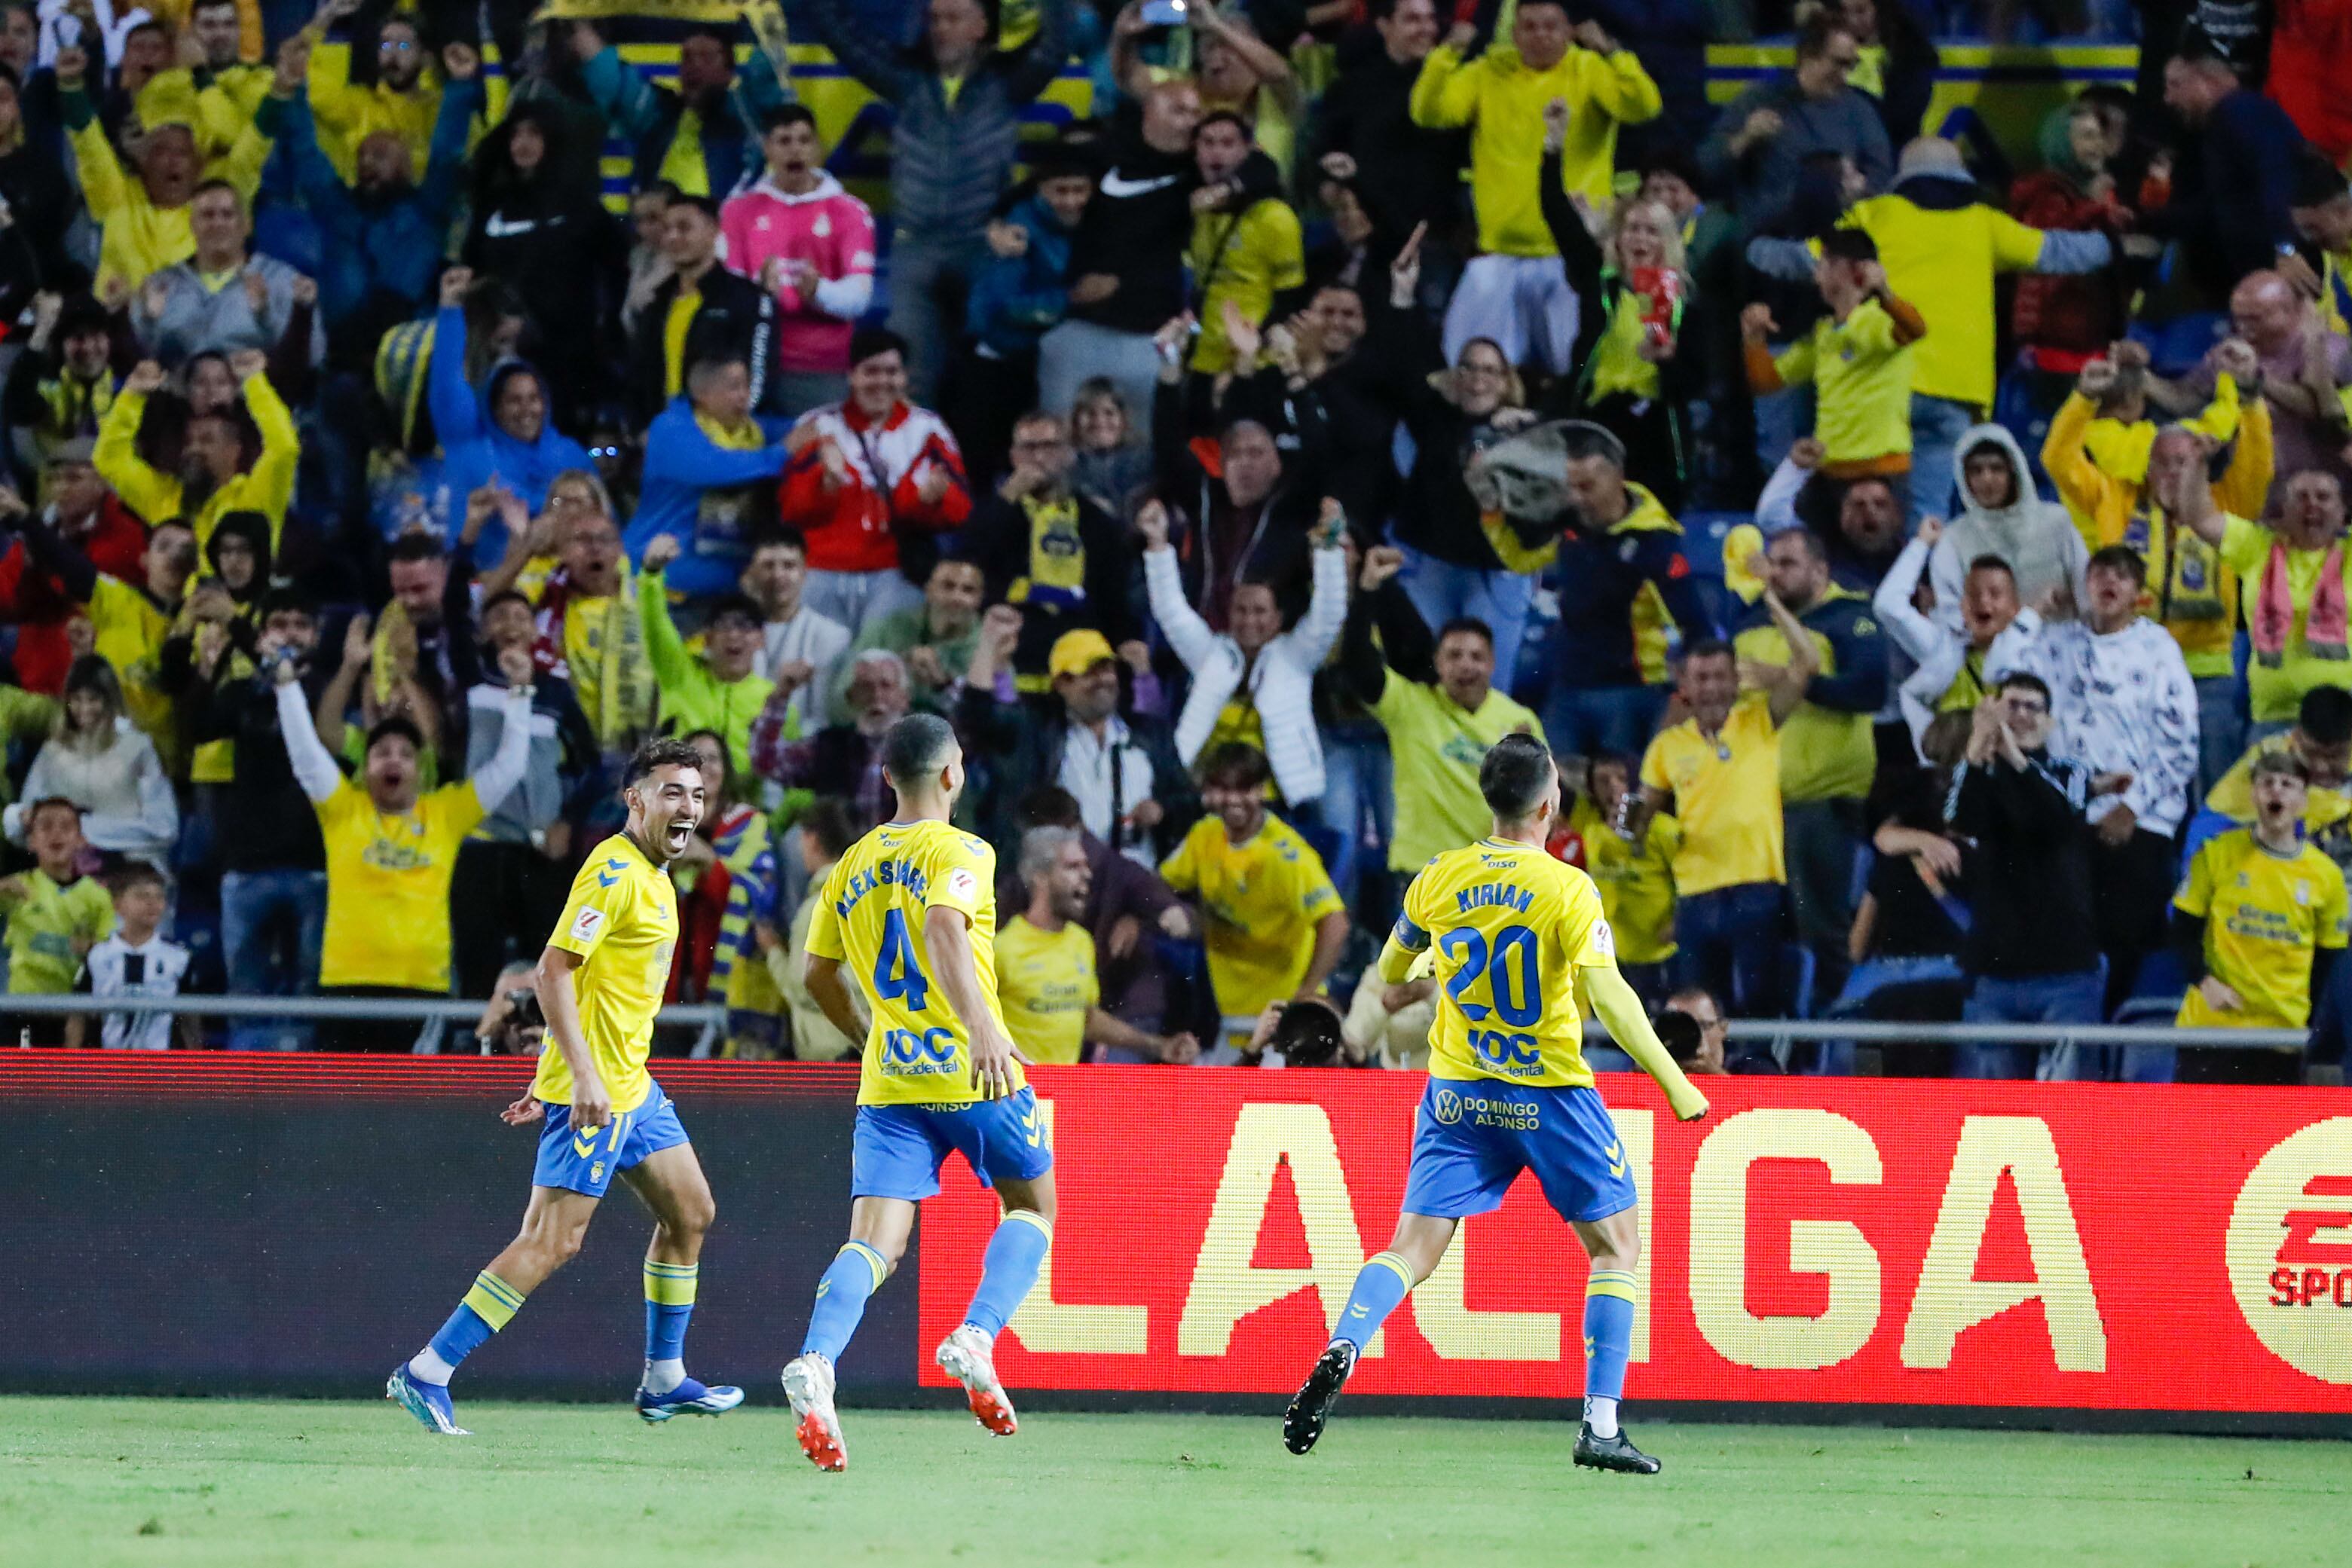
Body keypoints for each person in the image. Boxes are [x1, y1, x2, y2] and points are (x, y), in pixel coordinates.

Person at [1283, 734, 1708, 1472]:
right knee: (1615, 1246)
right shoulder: (1567, 887)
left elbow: (1389, 968)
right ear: (1548, 803)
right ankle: (1599, 1424)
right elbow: (1609, 996)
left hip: (1457, 1092)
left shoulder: (1440, 877)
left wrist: (1447, 950)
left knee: (1412, 1246)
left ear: (1492, 798)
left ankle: (1345, 1339)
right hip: (1548, 1094)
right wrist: (1677, 1082)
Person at [384, 738, 745, 1438]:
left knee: (692, 1212)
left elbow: (593, 989)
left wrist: (551, 1073)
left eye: (697, 796)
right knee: (552, 1240)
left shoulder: (656, 876)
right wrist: (575, 1077)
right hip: (600, 1088)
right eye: (672, 791)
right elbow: (551, 972)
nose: (689, 807)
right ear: (634, 798)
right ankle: (428, 1369)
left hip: (630, 1086)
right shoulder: (613, 870)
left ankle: (664, 1378)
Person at [784, 713, 1058, 1469]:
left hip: (889, 1078)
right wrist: (980, 1027)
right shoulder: (962, 848)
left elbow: (813, 977)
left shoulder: (849, 864)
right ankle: (975, 1333)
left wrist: (866, 1031)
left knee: (872, 1242)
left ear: (885, 778)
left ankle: (817, 1359)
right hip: (969, 1070)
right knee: (1033, 1203)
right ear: (953, 772)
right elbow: (942, 926)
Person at [1747, 136, 2115, 523]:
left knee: (1863, 509)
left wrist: (1754, 246)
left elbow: (1802, 261)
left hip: (1881, 387)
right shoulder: (1984, 222)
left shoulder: (1877, 214)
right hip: (1956, 392)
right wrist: (2112, 243)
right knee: (1928, 516)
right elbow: (2058, 252)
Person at [804, 0, 1072, 402]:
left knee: (990, 377)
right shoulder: (904, 78)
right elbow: (844, 37)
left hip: (983, 246)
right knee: (908, 379)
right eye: (934, 19)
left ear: (981, 25)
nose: (940, 28)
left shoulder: (1008, 81)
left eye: (952, 18)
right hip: (917, 249)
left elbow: (1057, 42)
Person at [272, 640, 534, 1050]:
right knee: (338, 1109)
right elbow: (306, 753)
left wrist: (520, 692)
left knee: (414, 1112)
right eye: (381, 753)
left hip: (423, 985)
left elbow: (510, 767)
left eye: (404, 754)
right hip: (346, 984)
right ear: (366, 767)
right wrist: (285, 686)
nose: (393, 761)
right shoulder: (344, 808)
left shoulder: (446, 813)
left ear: (419, 768)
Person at [1408, 0, 1662, 372]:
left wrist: (1612, 52)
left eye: (1550, 26)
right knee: (1474, 367)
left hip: (1571, 260)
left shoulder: (1589, 69)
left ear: (1568, 31)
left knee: (1577, 368)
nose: (1540, 36)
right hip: (1499, 255)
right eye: (1529, 27)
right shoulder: (1489, 71)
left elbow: (1643, 107)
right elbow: (1429, 112)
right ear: (1514, 34)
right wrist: (1448, 54)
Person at [2003, 546, 2200, 1013]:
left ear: (2138, 593)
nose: (2111, 582)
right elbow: (1999, 670)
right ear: (2084, 584)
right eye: (2100, 574)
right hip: (2064, 817)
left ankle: (2109, 1063)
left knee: (2122, 944)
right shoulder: (2056, 640)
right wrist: (2032, 615)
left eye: (2125, 576)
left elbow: (2183, 742)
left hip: (2137, 822)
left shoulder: (2158, 648)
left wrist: (2132, 808)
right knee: (2062, 945)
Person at [1633, 628, 1817, 1025]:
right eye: (1701, 678)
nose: (1711, 688)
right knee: (1696, 1014)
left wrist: (1770, 599)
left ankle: (1758, 1087)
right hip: (1695, 896)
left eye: (1720, 677)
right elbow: (1636, 824)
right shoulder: (1667, 745)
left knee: (1759, 1008)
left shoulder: (1760, 721)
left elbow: (1807, 664)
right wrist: (1627, 813)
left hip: (1758, 888)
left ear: (1736, 681)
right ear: (1685, 684)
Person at [1733, 529, 1887, 1002]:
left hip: (1823, 805)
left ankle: (1832, 1039)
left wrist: (1786, 679)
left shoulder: (1851, 617)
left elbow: (1868, 692)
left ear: (1821, 569)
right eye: (1770, 563)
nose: (1774, 573)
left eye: (1787, 564)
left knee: (1822, 931)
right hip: (1760, 808)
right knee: (1766, 938)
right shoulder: (1752, 623)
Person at [1338, 546, 1546, 876]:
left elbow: (1539, 804)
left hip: (1489, 876)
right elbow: (1357, 663)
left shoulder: (1519, 721)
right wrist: (1367, 590)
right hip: (1420, 875)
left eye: (1476, 657)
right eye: (1454, 656)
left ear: (1493, 663)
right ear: (1437, 662)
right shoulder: (1409, 705)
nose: (1466, 666)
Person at [1141, 497, 1347, 811]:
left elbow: (1329, 613)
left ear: (1278, 619)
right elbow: (1171, 611)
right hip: (1210, 799)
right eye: (1241, 610)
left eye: (1260, 611)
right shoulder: (1211, 654)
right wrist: (1157, 544)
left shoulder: (1296, 657)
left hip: (1276, 802)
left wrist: (1329, 549)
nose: (1250, 620)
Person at [1945, 672, 2103, 1077]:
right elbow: (1960, 819)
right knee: (1997, 1118)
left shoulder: (2072, 771)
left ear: (2050, 721)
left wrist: (2016, 757)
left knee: (2070, 1117)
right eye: (2011, 705)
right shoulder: (1982, 775)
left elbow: (2059, 819)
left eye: (2033, 707)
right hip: (1996, 971)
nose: (2021, 715)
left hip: (2065, 971)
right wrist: (1979, 747)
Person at [1159, 742, 1349, 1059]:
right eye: (1222, 788)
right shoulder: (1205, 835)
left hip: (1279, 1021)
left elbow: (1336, 923)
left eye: (1244, 788)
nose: (1233, 800)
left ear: (1263, 791)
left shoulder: (1287, 855)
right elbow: (1160, 883)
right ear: (1207, 792)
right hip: (1228, 1017)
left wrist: (1306, 992)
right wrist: (1174, 910)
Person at [1543, 421, 1718, 763]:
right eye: (1570, 488)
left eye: (1587, 487)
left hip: (1628, 690)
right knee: (1546, 796)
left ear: (1617, 476)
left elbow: (1695, 625)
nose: (1577, 498)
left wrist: (1684, 696)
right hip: (1566, 688)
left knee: (1616, 795)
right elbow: (1518, 559)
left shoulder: (1656, 543)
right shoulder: (1567, 524)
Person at [957, 618, 1196, 869]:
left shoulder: (1151, 735)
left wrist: (1163, 811)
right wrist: (988, 646)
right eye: (1090, 672)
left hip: (1137, 880)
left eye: (1108, 669)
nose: (1104, 679)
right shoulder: (1037, 733)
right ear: (1062, 683)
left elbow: (1190, 801)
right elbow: (977, 718)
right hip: (1059, 881)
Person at [779, 328, 971, 634]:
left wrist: (928, 501)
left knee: (882, 671)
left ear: (905, 377)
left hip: (895, 574)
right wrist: (827, 484)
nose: (882, 381)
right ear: (851, 376)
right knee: (818, 674)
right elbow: (792, 510)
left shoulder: (929, 430)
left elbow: (960, 511)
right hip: (823, 571)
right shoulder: (818, 426)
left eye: (892, 372)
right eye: (871, 372)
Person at [2173, 750, 2347, 1084]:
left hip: (2282, 1038)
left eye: (2287, 784)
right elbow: (2182, 929)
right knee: (2199, 1137)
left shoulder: (2326, 877)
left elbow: (2328, 961)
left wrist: (2311, 1022)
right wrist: (2204, 981)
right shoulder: (2216, 854)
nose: (2276, 791)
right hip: (2211, 1031)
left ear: (2303, 800)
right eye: (2267, 783)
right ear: (2253, 795)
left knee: (2271, 1138)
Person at [2173, 436, 2352, 737]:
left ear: (2342, 511)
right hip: (2273, 718)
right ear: (2284, 507)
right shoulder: (2257, 546)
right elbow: (2200, 517)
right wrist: (2197, 463)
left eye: (2323, 497)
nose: (2312, 505)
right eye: (2302, 497)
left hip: (2345, 721)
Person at [1740, 228, 1925, 501]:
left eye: (1823, 264)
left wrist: (1884, 291)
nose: (1816, 275)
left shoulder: (1878, 319)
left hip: (1881, 467)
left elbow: (1915, 330)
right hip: (1831, 469)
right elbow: (1766, 382)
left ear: (1852, 269)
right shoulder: (1823, 334)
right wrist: (1754, 339)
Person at [720, 105, 878, 418]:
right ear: (767, 148)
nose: (796, 150)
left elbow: (859, 298)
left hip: (822, 367)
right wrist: (759, 295)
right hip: (752, 364)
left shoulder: (850, 212)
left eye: (804, 140)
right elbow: (726, 289)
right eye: (784, 141)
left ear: (817, 147)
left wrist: (819, 292)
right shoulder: (738, 210)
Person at [961, 411, 1139, 686]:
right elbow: (967, 563)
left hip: (1081, 646)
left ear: (1069, 453)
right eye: (1029, 448)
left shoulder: (1097, 521)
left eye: (1050, 446)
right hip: (1014, 644)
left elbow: (1115, 596)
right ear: (1014, 456)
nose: (1039, 457)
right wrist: (1007, 498)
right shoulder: (997, 513)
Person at [996, 827, 1197, 1066]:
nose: (1087, 874)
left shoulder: (1081, 942)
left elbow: (1086, 1017)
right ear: (1040, 876)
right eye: (1073, 867)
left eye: (1086, 865)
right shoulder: (1002, 949)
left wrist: (1158, 1045)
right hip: (1016, 1096)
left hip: (1065, 1092)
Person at [1699, 15, 1892, 234]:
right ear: (1809, 56)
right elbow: (1707, 165)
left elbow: (1881, 176)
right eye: (1839, 63)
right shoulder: (1758, 101)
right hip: (1770, 237)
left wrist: (1861, 190)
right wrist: (1745, 138)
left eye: (1852, 65)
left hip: (1839, 234)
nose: (1846, 76)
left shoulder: (1860, 111)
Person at [97, 353, 297, 556]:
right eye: (189, 441)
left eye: (207, 440)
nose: (194, 449)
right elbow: (110, 459)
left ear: (234, 450)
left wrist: (255, 383)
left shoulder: (257, 498)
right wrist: (133, 395)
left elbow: (284, 448)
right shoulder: (166, 498)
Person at [629, 353, 791, 602]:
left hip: (726, 591)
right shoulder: (671, 428)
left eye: (747, 386)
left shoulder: (751, 432)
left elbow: (806, 427)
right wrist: (783, 453)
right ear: (703, 394)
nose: (744, 395)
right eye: (734, 387)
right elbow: (714, 468)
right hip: (661, 587)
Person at [4, 655, 176, 869]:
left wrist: (85, 829)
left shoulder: (138, 749)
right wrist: (19, 819)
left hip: (127, 872)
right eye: (76, 700)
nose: (84, 709)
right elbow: (28, 821)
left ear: (110, 700)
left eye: (93, 700)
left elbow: (164, 828)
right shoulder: (53, 751)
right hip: (68, 876)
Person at [626, 194, 778, 427]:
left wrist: (730, 429)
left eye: (684, 228)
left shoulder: (747, 299)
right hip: (664, 436)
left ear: (714, 231)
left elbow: (760, 376)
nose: (672, 236)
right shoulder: (656, 303)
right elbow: (639, 374)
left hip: (722, 438)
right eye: (666, 229)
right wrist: (642, 431)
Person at [637, 535, 777, 781]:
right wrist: (651, 573)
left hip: (744, 807)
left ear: (760, 640)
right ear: (707, 639)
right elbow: (655, 624)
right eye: (723, 626)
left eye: (744, 627)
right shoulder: (680, 675)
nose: (734, 635)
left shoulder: (772, 699)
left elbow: (783, 768)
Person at [1928, 423, 2091, 628]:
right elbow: (1950, 613)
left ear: (2014, 471)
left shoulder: (2056, 522)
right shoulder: (1954, 538)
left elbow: (2087, 593)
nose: (1987, 479)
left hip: (2064, 647)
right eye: (1976, 471)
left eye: (1996, 469)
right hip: (1992, 654)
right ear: (1964, 477)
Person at [1571, 753, 1681, 1013]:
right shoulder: (1590, 828)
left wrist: (1678, 920)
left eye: (1621, 778)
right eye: (1603, 781)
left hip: (1660, 950)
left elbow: (1689, 878)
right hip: (1612, 952)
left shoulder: (1663, 830)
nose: (1613, 788)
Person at [0, 800, 115, 1022]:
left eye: (66, 827)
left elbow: (110, 953)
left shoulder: (98, 896)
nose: (56, 834)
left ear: (81, 840)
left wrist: (91, 948)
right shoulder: (18, 887)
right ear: (31, 841)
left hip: (74, 1011)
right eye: (46, 826)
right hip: (24, 1008)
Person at [740, 530, 849, 746]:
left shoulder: (832, 635)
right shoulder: (733, 634)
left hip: (798, 751)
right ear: (752, 573)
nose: (778, 575)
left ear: (804, 573)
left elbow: (822, 717)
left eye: (789, 566)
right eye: (768, 566)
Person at [73, 863, 190, 1050]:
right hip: (108, 1067)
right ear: (118, 904)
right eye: (142, 896)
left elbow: (190, 1021)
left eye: (158, 896)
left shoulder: (178, 958)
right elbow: (78, 1015)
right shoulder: (98, 956)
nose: (152, 903)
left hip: (160, 1070)